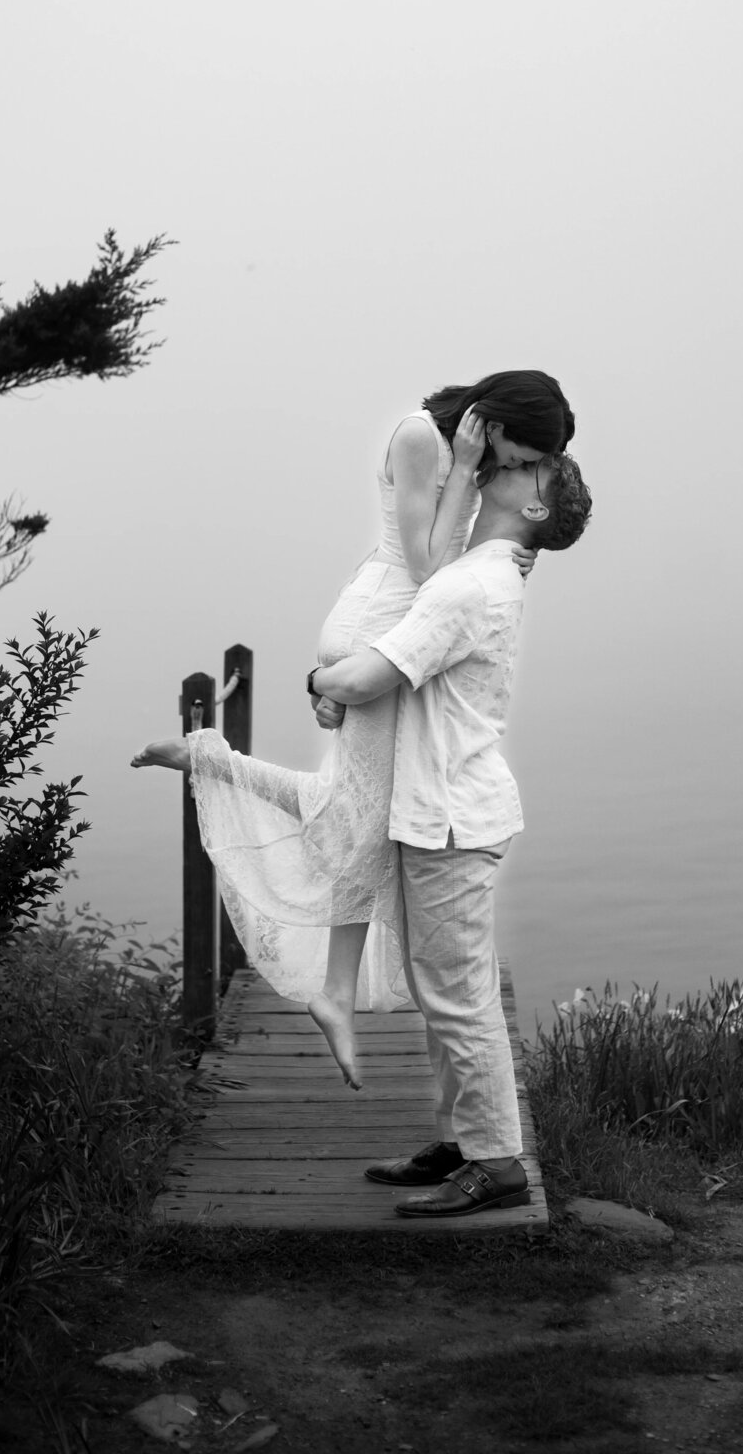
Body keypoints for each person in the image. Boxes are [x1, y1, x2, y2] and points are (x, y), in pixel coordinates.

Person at [136, 449, 592, 1217]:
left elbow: (360, 679)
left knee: (459, 998)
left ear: (539, 509)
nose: (505, 467)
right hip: (435, 810)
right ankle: (460, 1143)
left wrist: (320, 684)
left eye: (525, 469)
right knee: (438, 991)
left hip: (452, 818)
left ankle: (498, 1164)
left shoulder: (472, 585)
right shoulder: (479, 575)